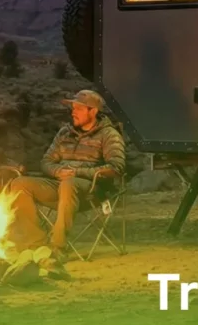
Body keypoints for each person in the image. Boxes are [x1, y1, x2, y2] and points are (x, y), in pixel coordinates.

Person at [8, 89, 126, 257]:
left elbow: (116, 167)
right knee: (19, 184)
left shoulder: (109, 135)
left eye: (78, 108)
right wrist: (58, 171)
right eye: (73, 108)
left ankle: (58, 247)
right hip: (60, 185)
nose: (73, 112)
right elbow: (46, 161)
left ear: (92, 111)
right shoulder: (65, 133)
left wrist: (76, 172)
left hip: (92, 190)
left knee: (68, 184)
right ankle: (36, 244)